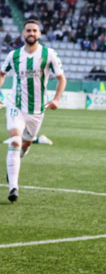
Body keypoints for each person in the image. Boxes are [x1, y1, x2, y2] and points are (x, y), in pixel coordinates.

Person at [0, 19, 66, 202]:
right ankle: (14, 187)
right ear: (23, 33)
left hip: (37, 110)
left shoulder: (48, 54)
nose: (31, 33)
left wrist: (57, 99)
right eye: (28, 30)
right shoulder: (13, 55)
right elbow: (2, 73)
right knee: (14, 139)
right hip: (16, 106)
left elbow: (62, 79)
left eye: (35, 31)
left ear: (40, 34)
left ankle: (14, 163)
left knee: (25, 145)